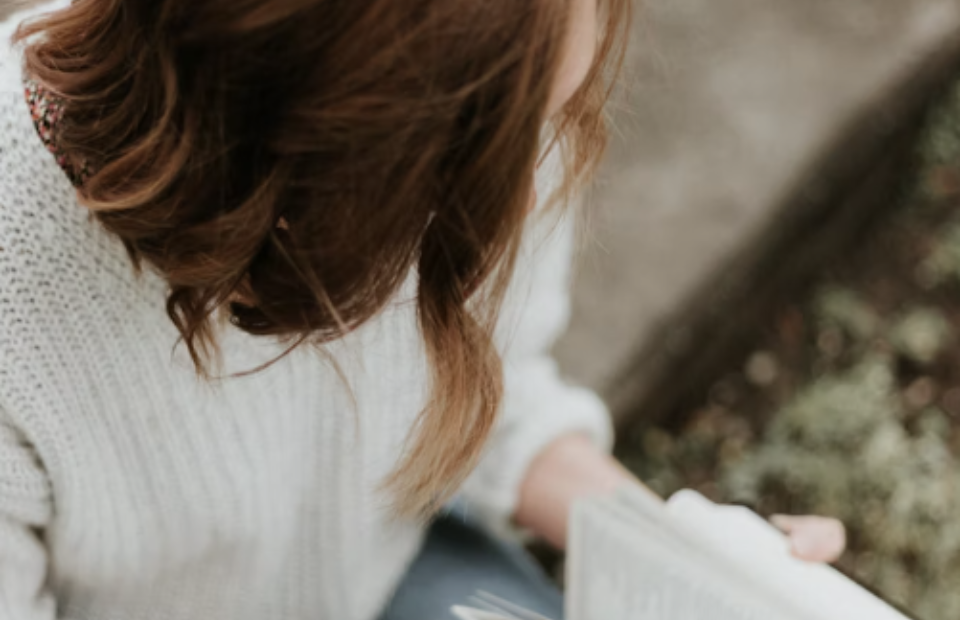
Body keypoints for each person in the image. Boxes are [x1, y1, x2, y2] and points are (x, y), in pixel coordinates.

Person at [0, 1, 845, 619]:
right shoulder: (19, 304)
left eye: (543, 128)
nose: (522, 204)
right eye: (464, 167)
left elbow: (492, 400)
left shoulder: (505, 79)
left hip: (389, 576)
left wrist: (696, 569)